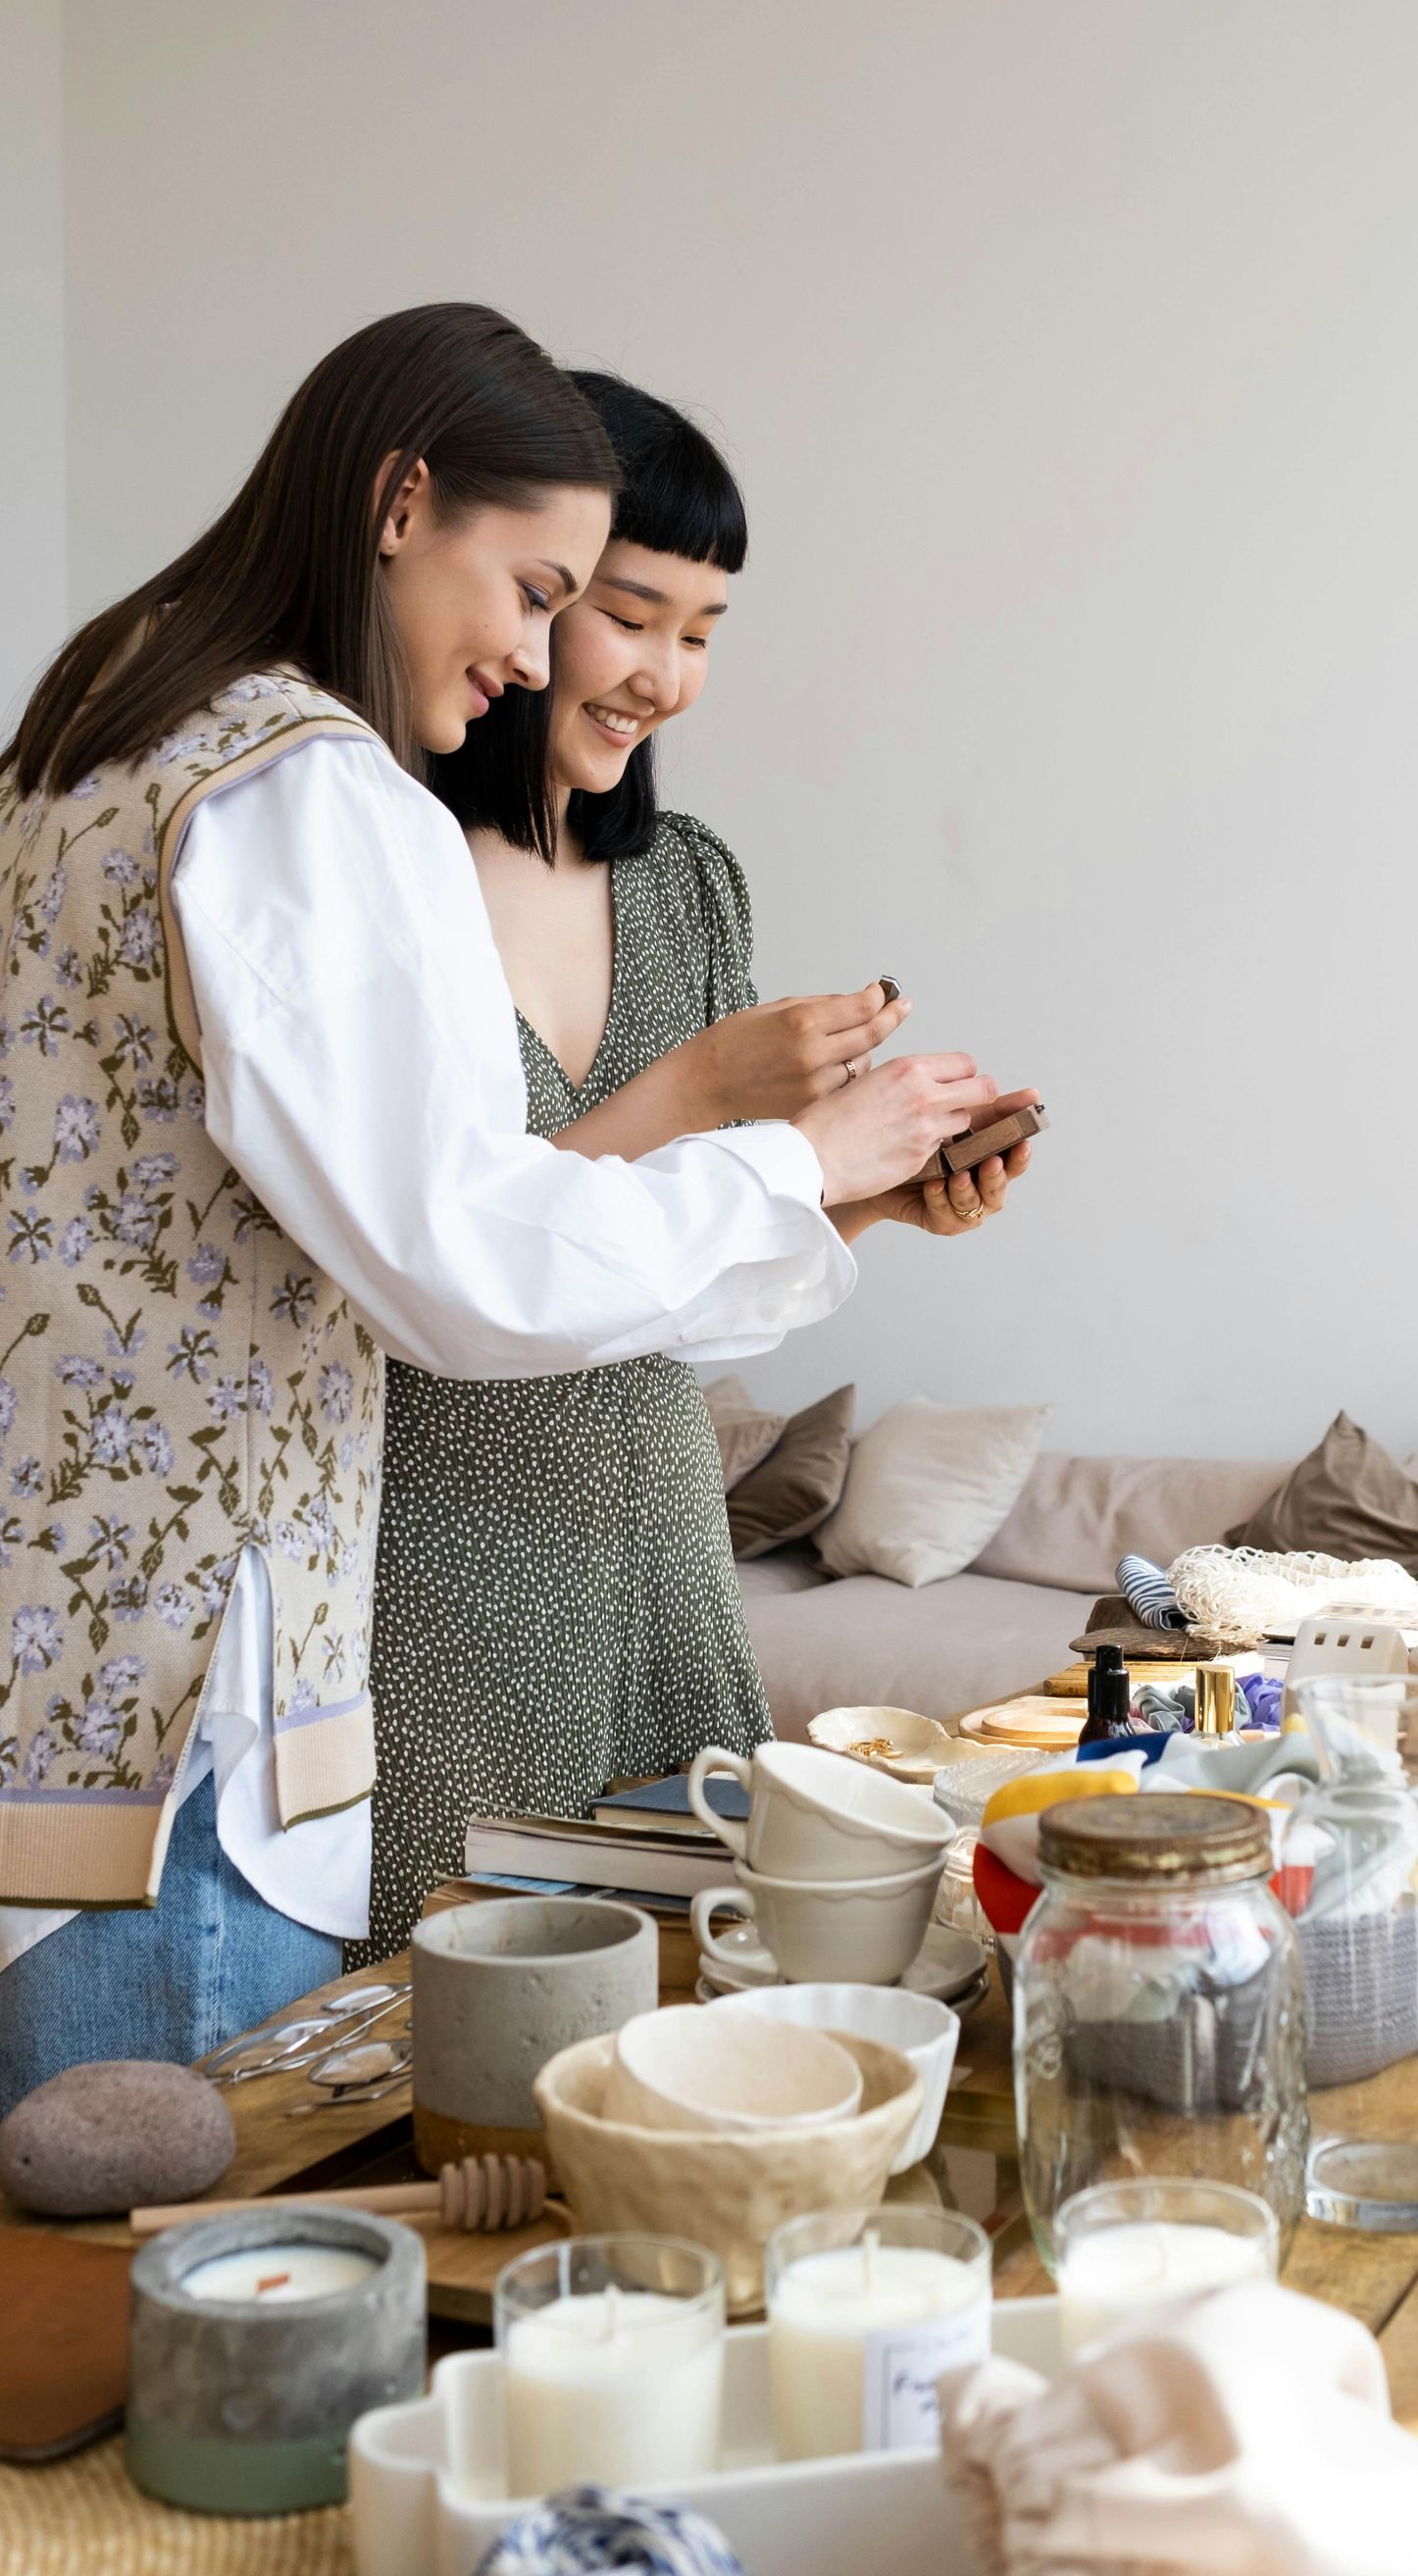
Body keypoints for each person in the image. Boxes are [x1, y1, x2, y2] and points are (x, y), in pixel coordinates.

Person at [0, 306, 996, 2111]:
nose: (541, 653)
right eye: (541, 591)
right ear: (400, 503)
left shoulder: (103, 713)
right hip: (205, 1751)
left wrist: (828, 1203)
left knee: (70, 2322)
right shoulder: (311, 787)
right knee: (217, 2334)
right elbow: (461, 1257)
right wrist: (797, 1163)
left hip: (66, 1701)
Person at [364, 375, 1035, 1957]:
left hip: (656, 1536)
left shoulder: (686, 887)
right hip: (442, 1557)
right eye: (628, 616)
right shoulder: (383, 865)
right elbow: (446, 1255)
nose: (665, 675)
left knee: (695, 1997)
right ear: (527, 603)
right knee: (443, 2027)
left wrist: (860, 1197)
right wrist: (715, 1095)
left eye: (706, 630)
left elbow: (675, 1277)